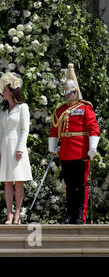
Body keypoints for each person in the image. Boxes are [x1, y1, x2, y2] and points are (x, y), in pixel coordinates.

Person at [49, 64, 100, 225]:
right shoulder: (60, 110)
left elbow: (93, 129)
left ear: (75, 92)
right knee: (69, 186)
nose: (66, 95)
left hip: (81, 151)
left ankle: (80, 216)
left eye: (69, 92)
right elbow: (54, 130)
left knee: (82, 184)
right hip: (65, 152)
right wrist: (52, 147)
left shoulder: (85, 108)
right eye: (64, 92)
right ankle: (70, 215)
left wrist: (92, 147)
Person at [0, 72, 32, 225]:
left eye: (4, 90)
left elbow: (25, 129)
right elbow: (0, 131)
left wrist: (21, 148)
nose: (2, 93)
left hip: (17, 146)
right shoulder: (3, 111)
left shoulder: (23, 107)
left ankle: (17, 213)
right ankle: (9, 214)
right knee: (7, 181)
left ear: (11, 91)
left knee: (18, 181)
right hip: (5, 146)